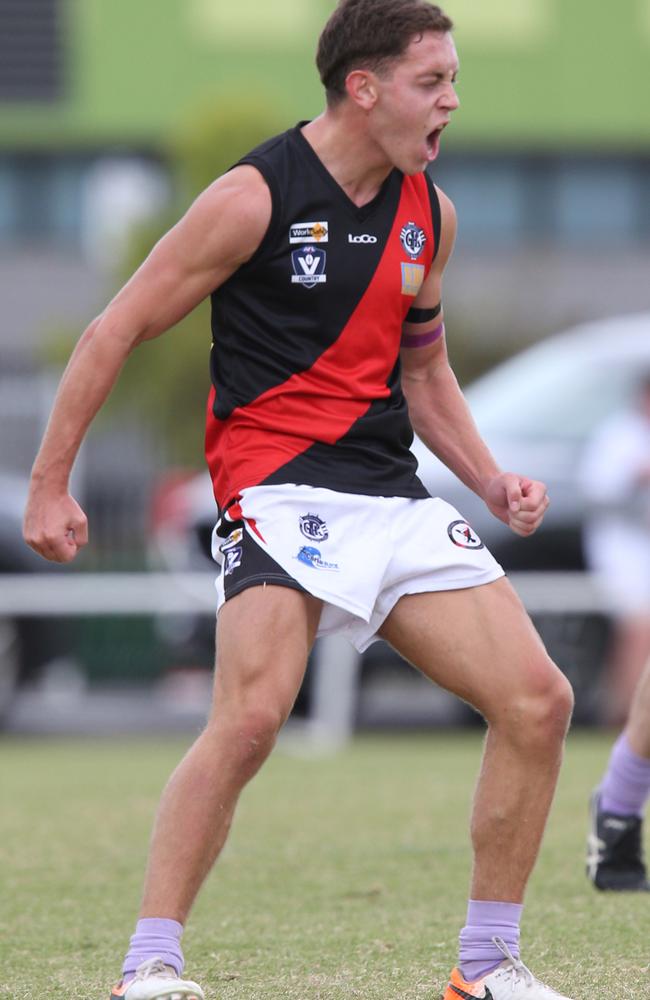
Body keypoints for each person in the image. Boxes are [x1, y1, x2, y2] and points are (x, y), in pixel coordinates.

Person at [23, 2, 575, 998]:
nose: (450, 98)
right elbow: (111, 331)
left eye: (452, 78)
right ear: (362, 89)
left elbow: (425, 372)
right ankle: (149, 964)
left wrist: (488, 476)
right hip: (275, 485)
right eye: (430, 80)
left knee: (537, 703)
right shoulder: (250, 197)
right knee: (249, 720)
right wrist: (51, 480)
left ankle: (484, 967)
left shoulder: (429, 212)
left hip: (389, 496)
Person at [581, 374, 650, 891]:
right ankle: (619, 809)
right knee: (640, 632)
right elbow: (600, 491)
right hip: (627, 551)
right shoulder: (620, 434)